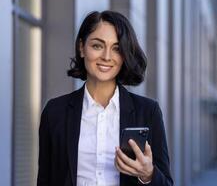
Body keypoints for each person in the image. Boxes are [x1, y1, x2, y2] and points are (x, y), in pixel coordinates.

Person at [37, 10, 173, 186]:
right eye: (97, 46)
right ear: (81, 47)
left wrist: (148, 175)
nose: (107, 57)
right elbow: (44, 180)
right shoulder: (55, 111)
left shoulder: (148, 111)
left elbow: (166, 183)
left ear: (124, 55)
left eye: (116, 48)